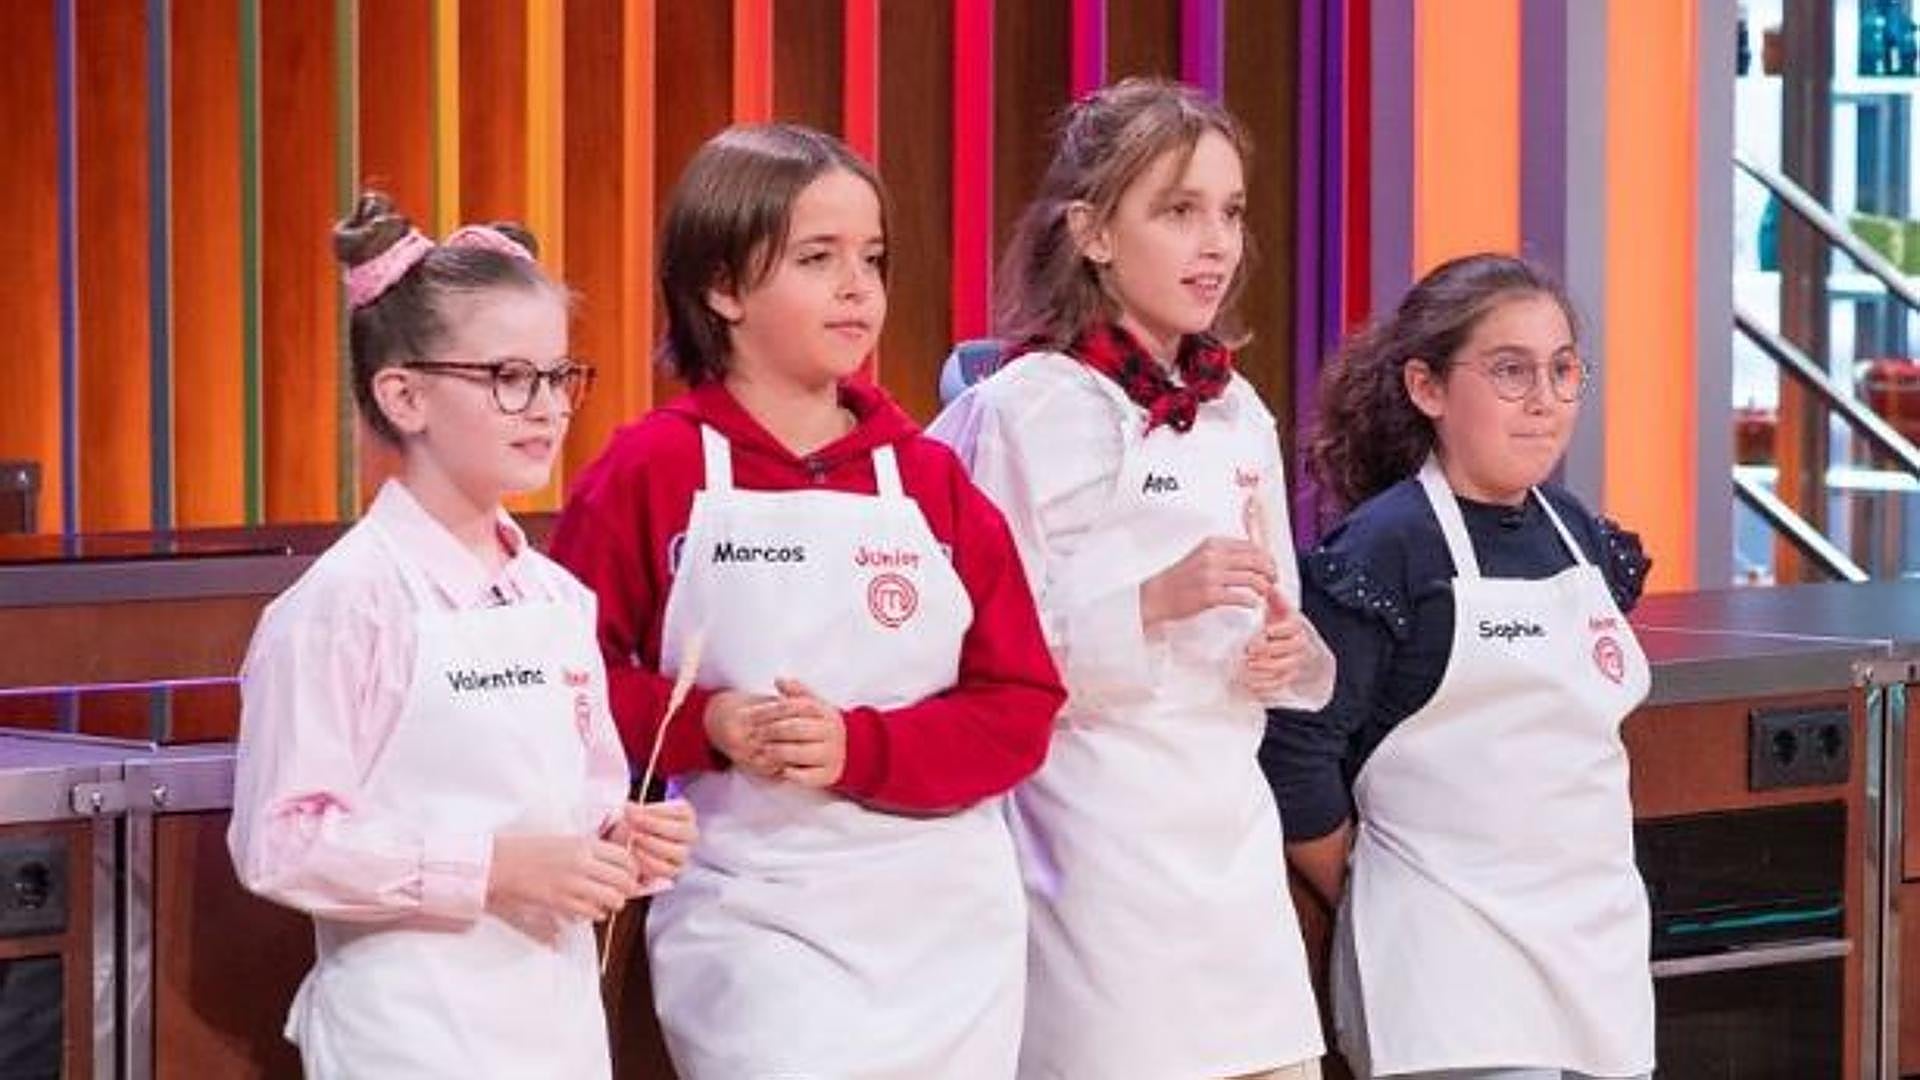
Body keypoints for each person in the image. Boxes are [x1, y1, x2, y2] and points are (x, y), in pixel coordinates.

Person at [548, 123, 1066, 1079]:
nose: (856, 288)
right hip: (752, 918)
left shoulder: (932, 482)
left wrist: (859, 747)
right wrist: (708, 724)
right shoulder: (650, 471)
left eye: (872, 259)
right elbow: (564, 689)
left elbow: (1020, 705)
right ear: (723, 286)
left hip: (949, 937)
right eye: (818, 258)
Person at [229, 192, 696, 1079]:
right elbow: (280, 845)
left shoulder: (556, 598)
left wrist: (622, 841)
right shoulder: (346, 604)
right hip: (407, 1036)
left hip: (554, 1030)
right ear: (403, 395)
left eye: (559, 377)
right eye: (509, 377)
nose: (547, 408)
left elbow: (575, 802)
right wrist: (489, 869)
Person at [929, 78, 1333, 1080]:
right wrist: (1151, 602)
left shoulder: (1239, 411)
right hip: (1093, 863)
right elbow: (973, 660)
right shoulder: (1018, 412)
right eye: (1179, 210)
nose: (1216, 244)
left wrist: (1287, 651)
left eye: (1230, 213)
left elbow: (1279, 624)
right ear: (1094, 232)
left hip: (1234, 862)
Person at [1262, 253, 1655, 1080]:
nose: (1543, 400)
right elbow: (1295, 753)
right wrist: (1377, 888)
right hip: (1451, 978)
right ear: (1427, 388)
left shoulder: (1576, 533)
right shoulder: (1386, 547)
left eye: (1562, 370)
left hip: (1598, 958)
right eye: (1511, 371)